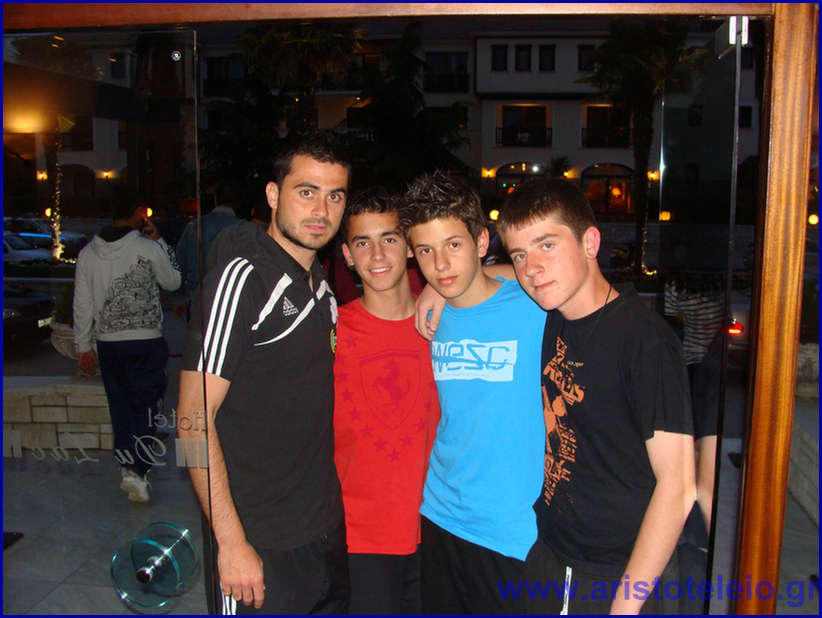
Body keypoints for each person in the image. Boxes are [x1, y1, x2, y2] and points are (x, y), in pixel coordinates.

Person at [495, 177, 696, 614]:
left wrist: (625, 606)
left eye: (547, 245)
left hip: (619, 573)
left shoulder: (644, 341)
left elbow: (679, 487)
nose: (532, 268)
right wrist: (437, 288)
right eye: (520, 254)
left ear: (590, 242)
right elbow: (488, 275)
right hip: (551, 554)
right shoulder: (554, 312)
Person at [176, 132, 351, 614]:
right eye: (307, 191)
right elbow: (190, 421)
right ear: (273, 195)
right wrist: (230, 541)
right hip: (258, 543)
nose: (321, 209)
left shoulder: (322, 287)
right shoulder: (242, 280)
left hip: (323, 533)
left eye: (335, 195)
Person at [400, 171, 545, 613]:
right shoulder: (427, 317)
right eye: (426, 251)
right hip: (440, 516)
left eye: (453, 245)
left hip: (512, 533)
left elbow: (575, 275)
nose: (441, 264)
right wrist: (434, 292)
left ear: (482, 241)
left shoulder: (535, 305)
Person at [333, 186, 441, 613]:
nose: (377, 255)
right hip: (359, 540)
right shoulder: (330, 330)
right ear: (347, 254)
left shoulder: (445, 323)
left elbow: (511, 280)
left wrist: (440, 290)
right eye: (363, 243)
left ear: (411, 247)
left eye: (390, 239)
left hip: (438, 531)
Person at [73, 202, 181, 503]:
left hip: (109, 343)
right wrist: (161, 241)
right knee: (145, 407)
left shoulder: (88, 254)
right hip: (145, 341)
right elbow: (174, 280)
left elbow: (82, 302)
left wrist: (83, 345)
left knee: (120, 407)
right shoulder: (148, 248)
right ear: (136, 213)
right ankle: (139, 471)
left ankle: (127, 467)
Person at [173, 187, 240, 319]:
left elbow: (179, 265)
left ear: (215, 199)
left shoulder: (195, 226)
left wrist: (179, 298)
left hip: (198, 300)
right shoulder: (242, 230)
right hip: (230, 302)